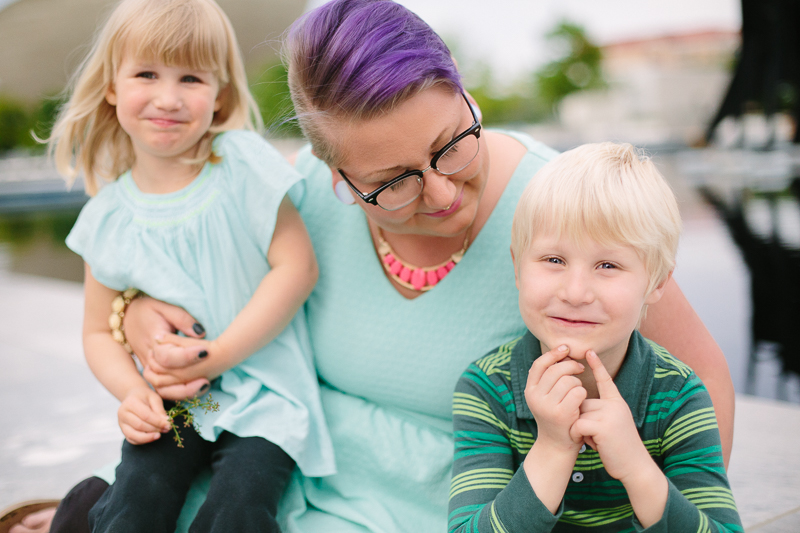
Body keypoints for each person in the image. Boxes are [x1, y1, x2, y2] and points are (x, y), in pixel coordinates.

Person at [5, 1, 735, 532]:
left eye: (452, 144)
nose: (441, 193)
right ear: (334, 175)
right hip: (285, 485)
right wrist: (128, 309)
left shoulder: (566, 218)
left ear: (462, 89)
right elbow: (180, 255)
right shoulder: (296, 200)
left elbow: (696, 381)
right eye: (392, 183)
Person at [11, 1, 335, 532]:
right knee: (136, 499)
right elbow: (98, 332)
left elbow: (296, 269)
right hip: (178, 402)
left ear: (220, 94)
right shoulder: (107, 217)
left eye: (191, 78)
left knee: (239, 506)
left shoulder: (240, 162)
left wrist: (219, 355)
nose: (168, 98)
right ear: (111, 86)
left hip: (268, 394)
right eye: (146, 74)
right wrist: (133, 393)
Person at [448, 143, 742, 532]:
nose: (575, 293)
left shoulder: (677, 396)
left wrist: (636, 467)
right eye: (554, 260)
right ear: (518, 268)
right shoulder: (487, 389)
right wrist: (553, 447)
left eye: (607, 265)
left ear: (656, 283)